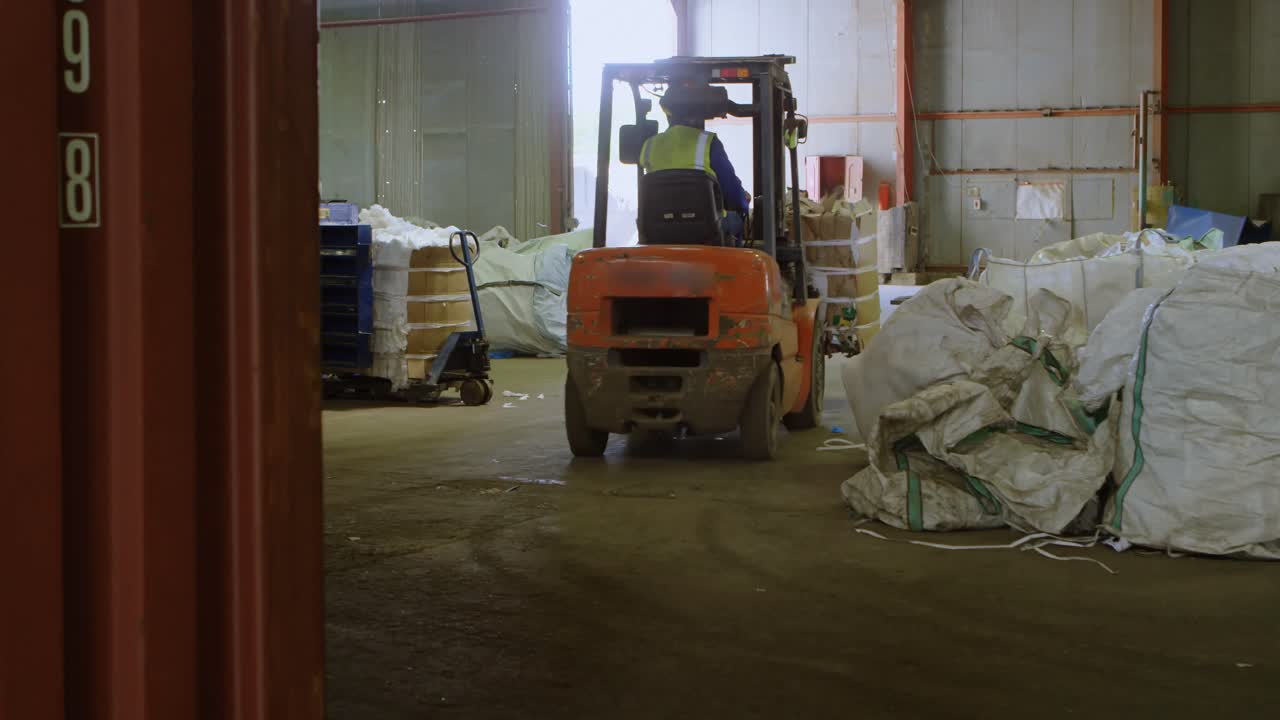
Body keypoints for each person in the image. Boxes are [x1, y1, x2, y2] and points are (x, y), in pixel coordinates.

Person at [640, 83, 750, 245]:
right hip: (705, 232)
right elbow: (731, 190)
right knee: (737, 219)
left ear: (669, 114)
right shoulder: (709, 143)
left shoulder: (649, 145)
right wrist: (743, 202)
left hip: (658, 231)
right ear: (699, 113)